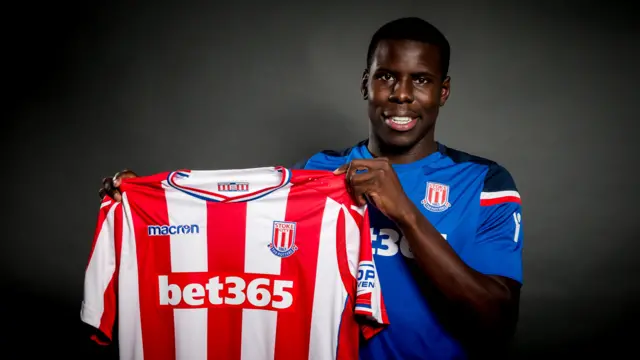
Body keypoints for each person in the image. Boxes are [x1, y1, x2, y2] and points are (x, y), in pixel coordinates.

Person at [99, 17, 523, 359]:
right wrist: (148, 202)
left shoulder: (484, 182)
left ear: (443, 91)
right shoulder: (316, 176)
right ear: (365, 84)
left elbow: (497, 319)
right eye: (387, 77)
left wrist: (407, 214)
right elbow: (236, 241)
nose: (402, 95)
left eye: (422, 81)